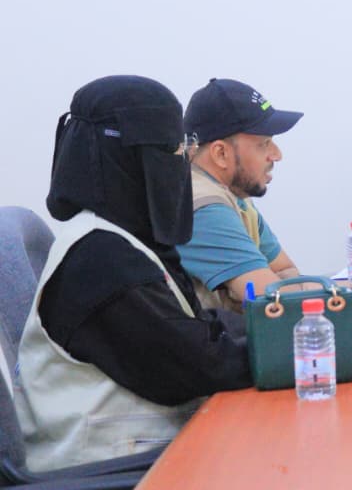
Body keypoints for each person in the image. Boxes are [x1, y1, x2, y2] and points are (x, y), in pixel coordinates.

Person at [15, 76, 251, 471]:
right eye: (170, 150)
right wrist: (302, 345)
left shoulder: (124, 240)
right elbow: (198, 365)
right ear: (124, 160)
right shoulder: (100, 259)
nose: (179, 163)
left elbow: (190, 326)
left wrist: (276, 324)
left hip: (144, 451)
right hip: (106, 468)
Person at [177, 78, 305, 312]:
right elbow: (276, 305)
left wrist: (276, 288)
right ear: (221, 153)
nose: (277, 155)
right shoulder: (205, 207)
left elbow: (286, 270)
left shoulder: (236, 196)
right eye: (264, 144)